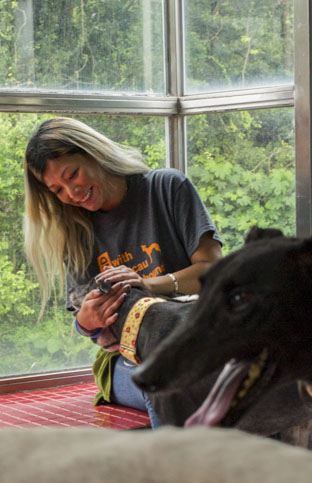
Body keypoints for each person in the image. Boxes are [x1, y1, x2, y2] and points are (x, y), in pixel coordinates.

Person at [23, 117, 223, 427]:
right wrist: (87, 322)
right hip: (126, 361)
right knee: (164, 382)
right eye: (57, 190)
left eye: (72, 174)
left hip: (201, 343)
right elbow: (94, 330)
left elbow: (213, 271)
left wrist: (146, 285)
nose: (71, 193)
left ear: (94, 152)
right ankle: (180, 472)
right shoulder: (74, 232)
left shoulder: (168, 187)